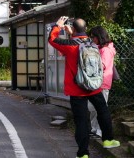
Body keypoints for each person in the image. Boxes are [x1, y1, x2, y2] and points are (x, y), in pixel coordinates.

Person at [48, 16, 120, 158]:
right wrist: (73, 33)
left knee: (81, 121)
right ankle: (108, 140)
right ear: (86, 29)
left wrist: (58, 26)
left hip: (77, 89)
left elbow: (52, 39)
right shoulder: (93, 43)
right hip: (94, 87)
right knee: (103, 111)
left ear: (73, 29)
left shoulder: (70, 44)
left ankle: (83, 154)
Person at [88, 25, 117, 138]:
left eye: (93, 37)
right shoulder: (102, 48)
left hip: (102, 83)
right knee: (94, 108)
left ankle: (99, 131)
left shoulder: (105, 50)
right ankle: (95, 129)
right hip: (98, 82)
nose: (93, 39)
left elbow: (101, 65)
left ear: (99, 37)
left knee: (98, 108)